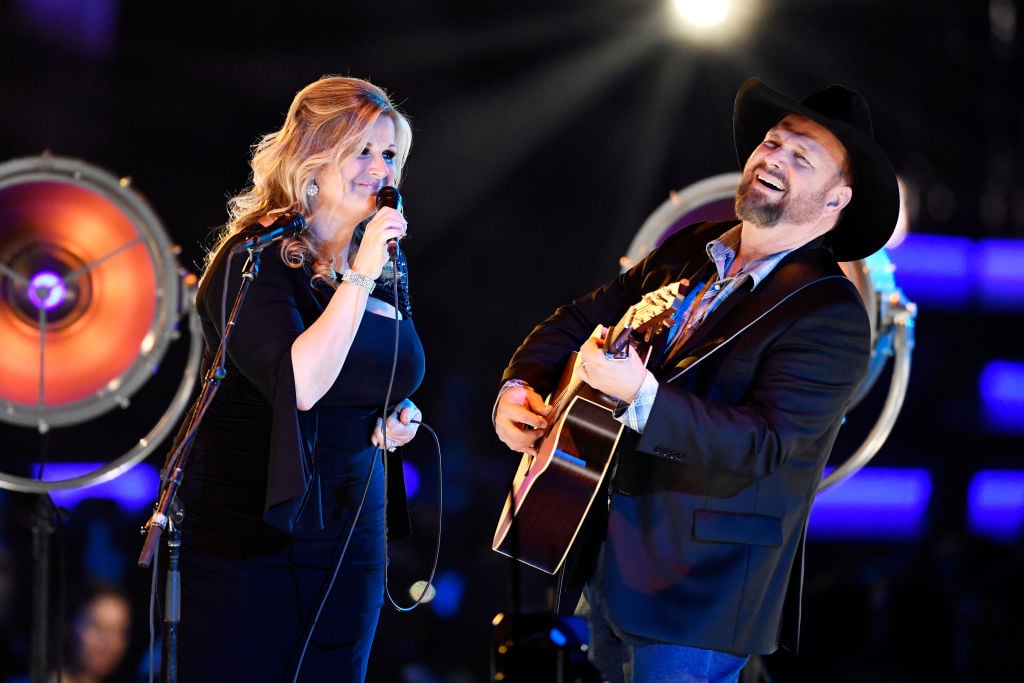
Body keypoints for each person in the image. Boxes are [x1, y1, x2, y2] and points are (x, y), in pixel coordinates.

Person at [493, 76, 899, 682]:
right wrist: (519, 387)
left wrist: (642, 397)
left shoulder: (831, 312)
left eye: (800, 156)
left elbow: (763, 444)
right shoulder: (692, 247)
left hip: (698, 593)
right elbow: (581, 317)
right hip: (599, 552)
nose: (772, 158)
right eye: (771, 142)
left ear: (837, 199)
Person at [173, 75, 426, 682]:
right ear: (313, 157)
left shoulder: (376, 265)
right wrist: (361, 275)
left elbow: (382, 372)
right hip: (253, 532)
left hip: (350, 532)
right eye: (361, 150)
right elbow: (302, 384)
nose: (379, 169)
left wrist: (397, 417)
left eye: (389, 154)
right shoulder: (255, 257)